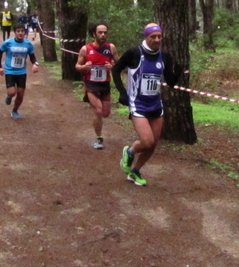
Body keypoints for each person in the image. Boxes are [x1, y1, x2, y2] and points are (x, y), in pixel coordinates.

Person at [112, 23, 181, 186]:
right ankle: (130, 151)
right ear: (146, 37)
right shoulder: (134, 53)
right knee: (147, 141)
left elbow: (170, 82)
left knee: (153, 144)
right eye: (153, 37)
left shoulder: (164, 56)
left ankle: (135, 171)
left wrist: (177, 72)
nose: (157, 40)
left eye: (159, 36)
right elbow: (115, 70)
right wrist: (122, 92)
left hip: (156, 104)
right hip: (138, 104)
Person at [75, 23, 118, 150]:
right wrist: (84, 67)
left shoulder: (111, 48)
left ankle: (98, 126)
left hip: (105, 84)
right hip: (91, 84)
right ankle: (99, 139)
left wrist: (112, 67)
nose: (103, 35)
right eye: (100, 32)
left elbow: (118, 63)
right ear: (94, 34)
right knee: (98, 110)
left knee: (105, 113)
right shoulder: (86, 49)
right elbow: (77, 66)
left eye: (105, 32)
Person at [0, 24, 39, 119]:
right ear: (15, 32)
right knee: (12, 92)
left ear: (24, 32)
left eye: (22, 31)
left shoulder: (28, 44)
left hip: (22, 72)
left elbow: (32, 57)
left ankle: (15, 110)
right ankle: (9, 96)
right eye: (18, 31)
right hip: (10, 71)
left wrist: (35, 64)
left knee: (20, 93)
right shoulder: (8, 43)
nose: (20, 33)